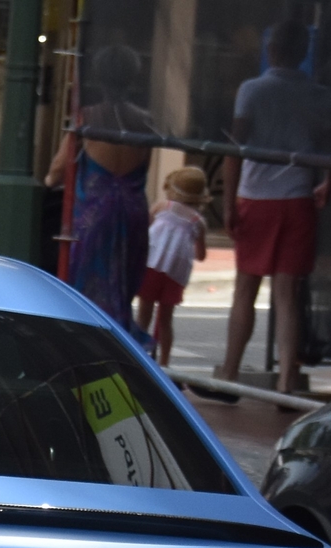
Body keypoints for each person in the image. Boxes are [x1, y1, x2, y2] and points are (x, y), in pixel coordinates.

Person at [219, 19, 331, 396]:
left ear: (271, 50)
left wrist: (228, 200)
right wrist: (328, 184)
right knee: (287, 295)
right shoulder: (318, 95)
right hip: (298, 198)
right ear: (303, 54)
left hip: (256, 198)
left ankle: (230, 374)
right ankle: (286, 381)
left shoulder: (251, 90)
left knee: (244, 291)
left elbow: (235, 148)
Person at [45, 45, 156, 330]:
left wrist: (48, 182)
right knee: (123, 289)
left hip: (95, 214)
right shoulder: (145, 120)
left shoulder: (88, 117)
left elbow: (57, 170)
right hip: (133, 212)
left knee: (85, 294)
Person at [136, 167, 211, 366]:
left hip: (151, 265)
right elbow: (201, 255)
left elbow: (145, 231)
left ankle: (137, 356)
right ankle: (165, 363)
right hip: (175, 275)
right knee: (166, 321)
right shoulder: (198, 222)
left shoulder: (162, 207)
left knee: (144, 314)